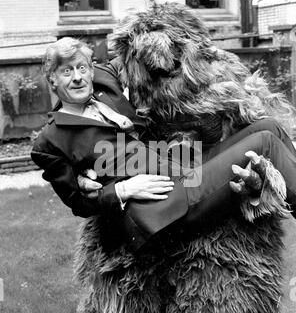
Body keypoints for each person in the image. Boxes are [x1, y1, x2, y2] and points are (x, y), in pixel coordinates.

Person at [31, 37, 296, 253]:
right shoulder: (50, 142)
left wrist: (200, 47)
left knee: (269, 126)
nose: (77, 77)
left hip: (185, 166)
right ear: (52, 79)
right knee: (265, 143)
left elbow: (138, 50)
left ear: (91, 69)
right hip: (165, 204)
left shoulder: (102, 80)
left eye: (81, 68)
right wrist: (123, 189)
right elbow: (79, 203)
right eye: (66, 71)